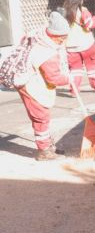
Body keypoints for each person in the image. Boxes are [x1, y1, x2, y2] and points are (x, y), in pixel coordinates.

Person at [16, 11, 71, 161]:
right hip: (29, 83)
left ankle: (47, 145)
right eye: (63, 37)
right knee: (41, 116)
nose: (65, 40)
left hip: (28, 76)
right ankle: (44, 151)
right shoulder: (46, 53)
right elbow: (54, 78)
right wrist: (68, 79)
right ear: (55, 35)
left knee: (42, 116)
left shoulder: (40, 35)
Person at [63, 0, 95, 94]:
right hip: (86, 44)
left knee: (75, 70)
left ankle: (74, 90)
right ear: (80, 0)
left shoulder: (64, 12)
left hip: (71, 46)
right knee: (91, 67)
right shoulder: (83, 10)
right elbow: (89, 25)